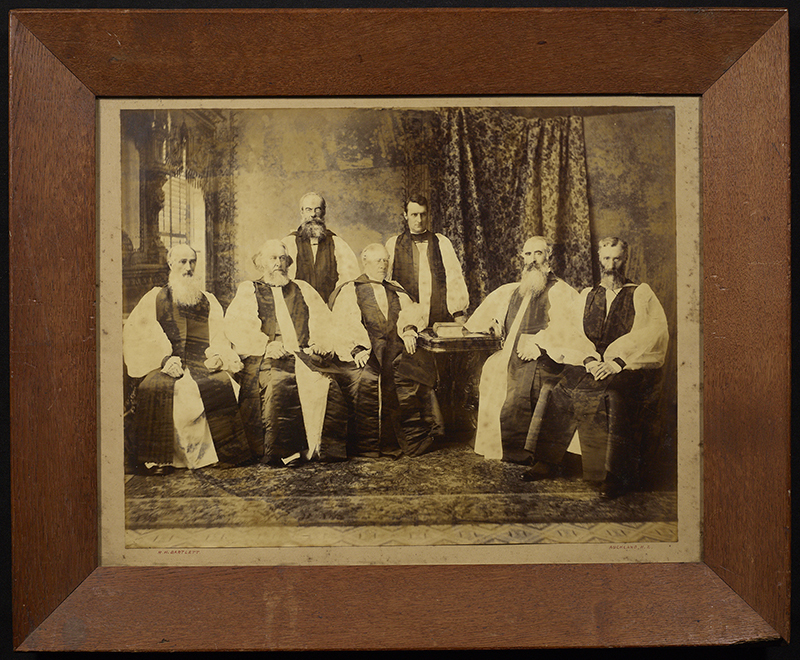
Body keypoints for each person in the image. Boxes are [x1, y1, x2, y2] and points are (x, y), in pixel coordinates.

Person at [525, 237, 669, 498]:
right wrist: (590, 360)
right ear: (599, 260)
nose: (610, 265)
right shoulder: (587, 296)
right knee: (558, 389)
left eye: (616, 259)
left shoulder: (641, 293)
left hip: (628, 367)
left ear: (625, 260)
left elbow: (652, 334)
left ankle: (613, 474)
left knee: (611, 396)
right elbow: (572, 333)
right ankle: (546, 461)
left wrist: (616, 363)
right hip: (591, 362)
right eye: (605, 259)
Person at [123, 243, 253, 475]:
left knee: (219, 383)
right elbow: (139, 334)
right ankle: (159, 459)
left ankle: (212, 455)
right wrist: (164, 360)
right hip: (165, 364)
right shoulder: (154, 297)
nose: (188, 267)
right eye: (182, 262)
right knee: (154, 388)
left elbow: (220, 336)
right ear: (170, 264)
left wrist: (216, 356)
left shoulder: (208, 300)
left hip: (200, 362)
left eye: (192, 261)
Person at [224, 239, 349, 467]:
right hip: (266, 355)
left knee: (325, 382)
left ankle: (319, 449)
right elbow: (237, 326)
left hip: (302, 353)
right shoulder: (249, 289)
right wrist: (266, 345)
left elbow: (323, 319)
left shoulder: (302, 288)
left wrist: (320, 341)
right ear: (261, 263)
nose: (278, 264)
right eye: (273, 259)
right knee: (279, 383)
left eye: (283, 258)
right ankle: (286, 451)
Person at [464, 236, 585, 464]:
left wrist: (540, 345)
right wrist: (496, 324)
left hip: (545, 356)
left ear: (548, 257)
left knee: (523, 383)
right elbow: (501, 319)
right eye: (527, 254)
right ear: (522, 258)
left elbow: (567, 327)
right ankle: (493, 444)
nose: (532, 260)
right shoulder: (514, 290)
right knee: (492, 369)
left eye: (538, 253)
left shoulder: (560, 290)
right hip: (512, 354)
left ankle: (523, 450)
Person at [329, 243, 441, 458]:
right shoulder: (351, 289)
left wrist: (409, 330)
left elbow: (410, 313)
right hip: (368, 350)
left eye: (385, 260)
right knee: (367, 379)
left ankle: (412, 441)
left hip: (395, 349)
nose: (383, 265)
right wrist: (357, 348)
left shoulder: (395, 288)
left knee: (410, 375)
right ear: (365, 262)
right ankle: (369, 445)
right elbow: (343, 322)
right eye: (378, 260)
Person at [385, 193, 469, 329]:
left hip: (438, 317)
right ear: (405, 215)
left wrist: (457, 312)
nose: (419, 220)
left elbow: (454, 278)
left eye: (423, 214)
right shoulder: (393, 244)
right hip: (406, 321)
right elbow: (387, 283)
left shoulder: (441, 242)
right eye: (414, 215)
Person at [281, 192, 360, 304]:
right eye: (308, 209)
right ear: (302, 212)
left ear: (324, 211)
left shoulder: (337, 243)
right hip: (297, 307)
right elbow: (282, 279)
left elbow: (349, 280)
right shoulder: (288, 243)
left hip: (329, 308)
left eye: (317, 209)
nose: (313, 214)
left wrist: (334, 303)